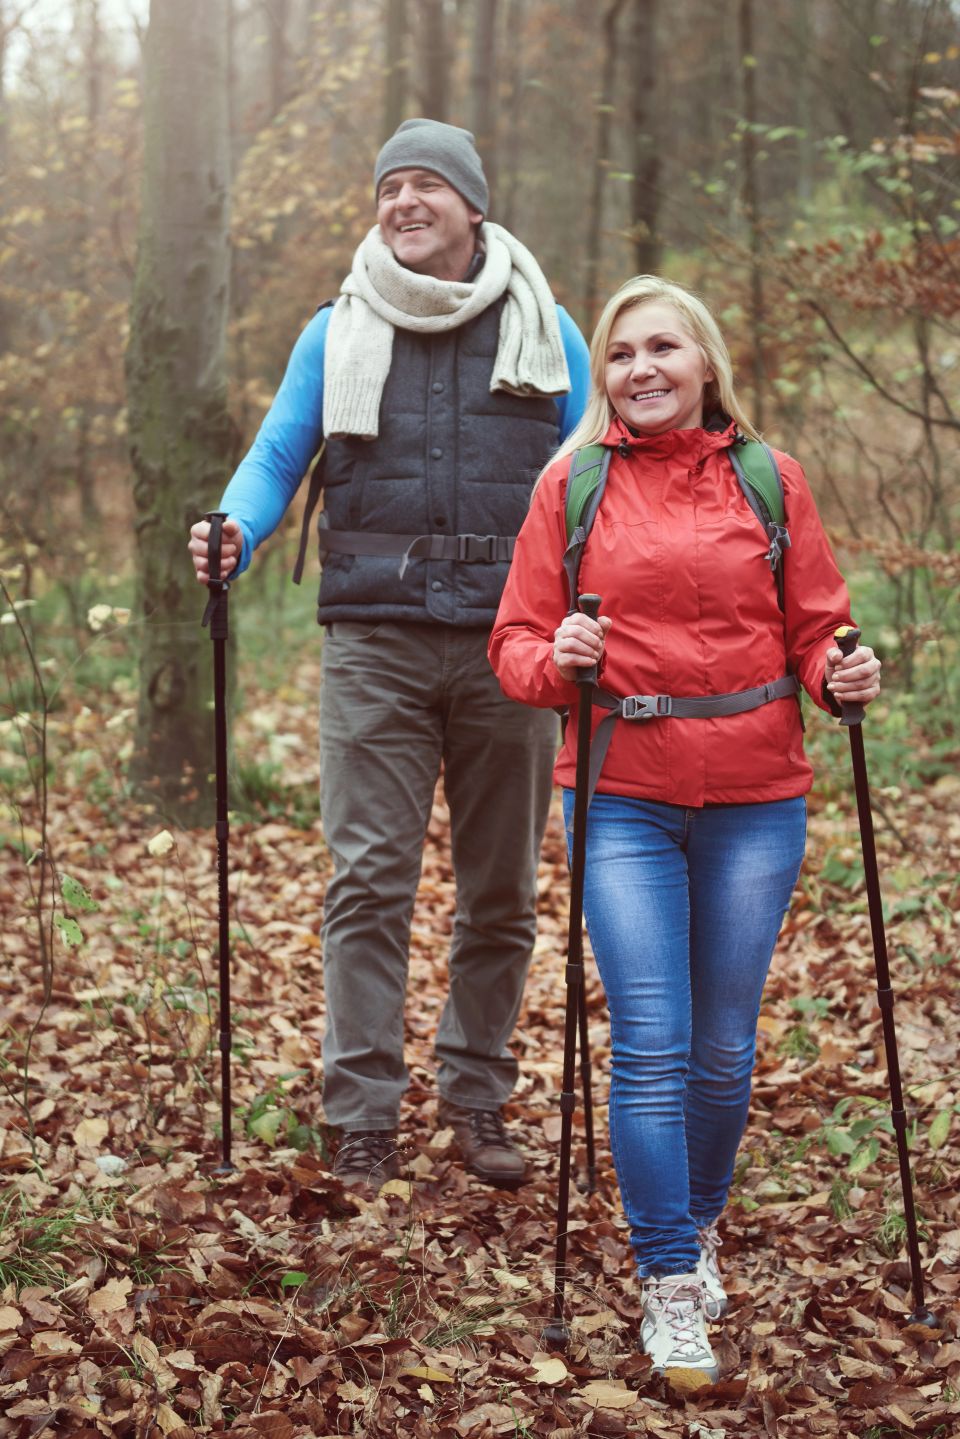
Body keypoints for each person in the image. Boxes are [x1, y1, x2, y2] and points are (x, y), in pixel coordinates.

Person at [488, 275, 881, 1378]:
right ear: (603, 375)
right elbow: (514, 642)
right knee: (653, 1045)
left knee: (722, 1048)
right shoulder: (570, 485)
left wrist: (840, 669)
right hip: (620, 790)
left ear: (704, 361)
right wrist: (552, 659)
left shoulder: (770, 479)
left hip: (759, 797)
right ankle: (667, 1275)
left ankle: (700, 1221)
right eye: (621, 353)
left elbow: (815, 628)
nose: (642, 368)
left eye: (664, 347)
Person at [188, 119, 590, 1191]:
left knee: (498, 889)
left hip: (514, 644)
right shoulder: (337, 327)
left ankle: (476, 1093)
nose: (403, 202)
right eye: (389, 186)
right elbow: (278, 451)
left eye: (426, 186)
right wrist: (236, 527)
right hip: (373, 641)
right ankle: (360, 1107)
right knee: (368, 880)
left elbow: (600, 471)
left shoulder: (547, 327)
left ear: (473, 206)